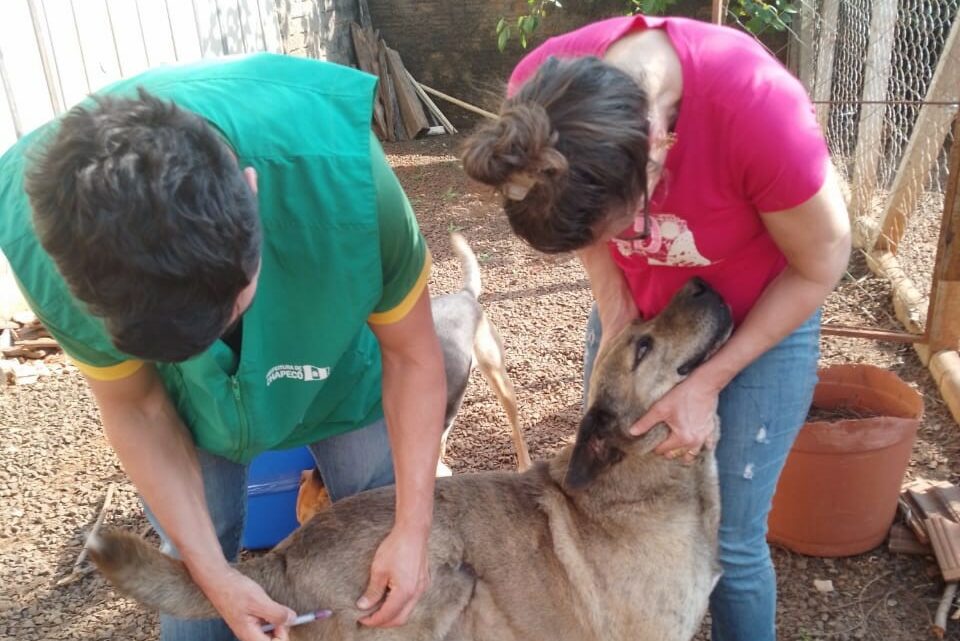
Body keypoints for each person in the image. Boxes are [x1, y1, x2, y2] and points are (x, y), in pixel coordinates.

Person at [0, 54, 445, 641]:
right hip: (184, 407)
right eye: (181, 347)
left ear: (250, 194)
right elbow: (136, 405)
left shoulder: (352, 186)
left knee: (385, 525)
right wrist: (210, 575)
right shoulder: (45, 238)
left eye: (231, 311)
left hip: (335, 365)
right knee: (198, 574)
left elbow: (413, 357)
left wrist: (412, 531)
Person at [461, 14, 850, 641]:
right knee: (605, 503)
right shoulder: (540, 103)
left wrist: (711, 378)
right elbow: (586, 232)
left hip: (765, 310)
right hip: (641, 327)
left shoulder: (757, 106)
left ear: (657, 147)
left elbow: (822, 263)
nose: (629, 243)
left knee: (734, 538)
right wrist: (618, 320)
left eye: (625, 226)